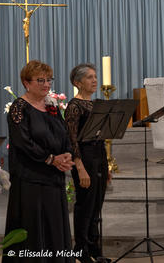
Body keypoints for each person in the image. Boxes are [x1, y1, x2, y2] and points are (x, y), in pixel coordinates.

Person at [4, 60, 75, 262]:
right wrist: (51, 159)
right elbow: (23, 142)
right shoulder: (19, 107)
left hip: (53, 179)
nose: (46, 84)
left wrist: (67, 154)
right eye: (40, 80)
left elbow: (64, 134)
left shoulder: (51, 106)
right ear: (26, 83)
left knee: (54, 228)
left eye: (48, 80)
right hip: (30, 180)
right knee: (33, 231)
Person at [66, 64, 110, 262]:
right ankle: (81, 249)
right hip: (84, 158)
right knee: (85, 204)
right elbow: (71, 139)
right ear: (77, 82)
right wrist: (80, 167)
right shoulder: (74, 106)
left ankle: (94, 249)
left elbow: (100, 138)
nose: (94, 81)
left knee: (96, 206)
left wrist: (106, 166)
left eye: (95, 76)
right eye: (89, 77)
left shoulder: (96, 105)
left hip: (98, 157)